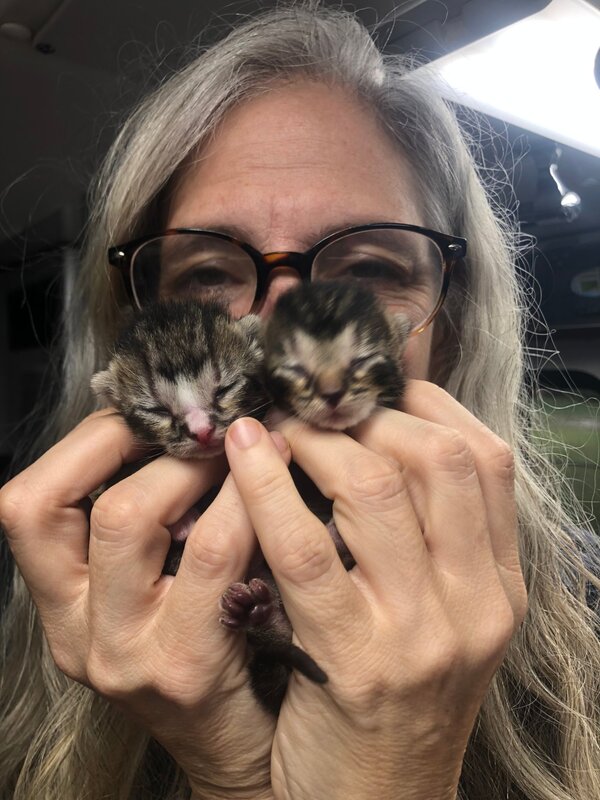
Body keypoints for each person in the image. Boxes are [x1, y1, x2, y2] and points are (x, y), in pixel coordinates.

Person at [0, 4, 598, 799]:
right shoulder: (31, 643)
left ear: (446, 334)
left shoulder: (585, 616)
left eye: (368, 272)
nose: (283, 327)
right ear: (135, 342)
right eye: (208, 276)